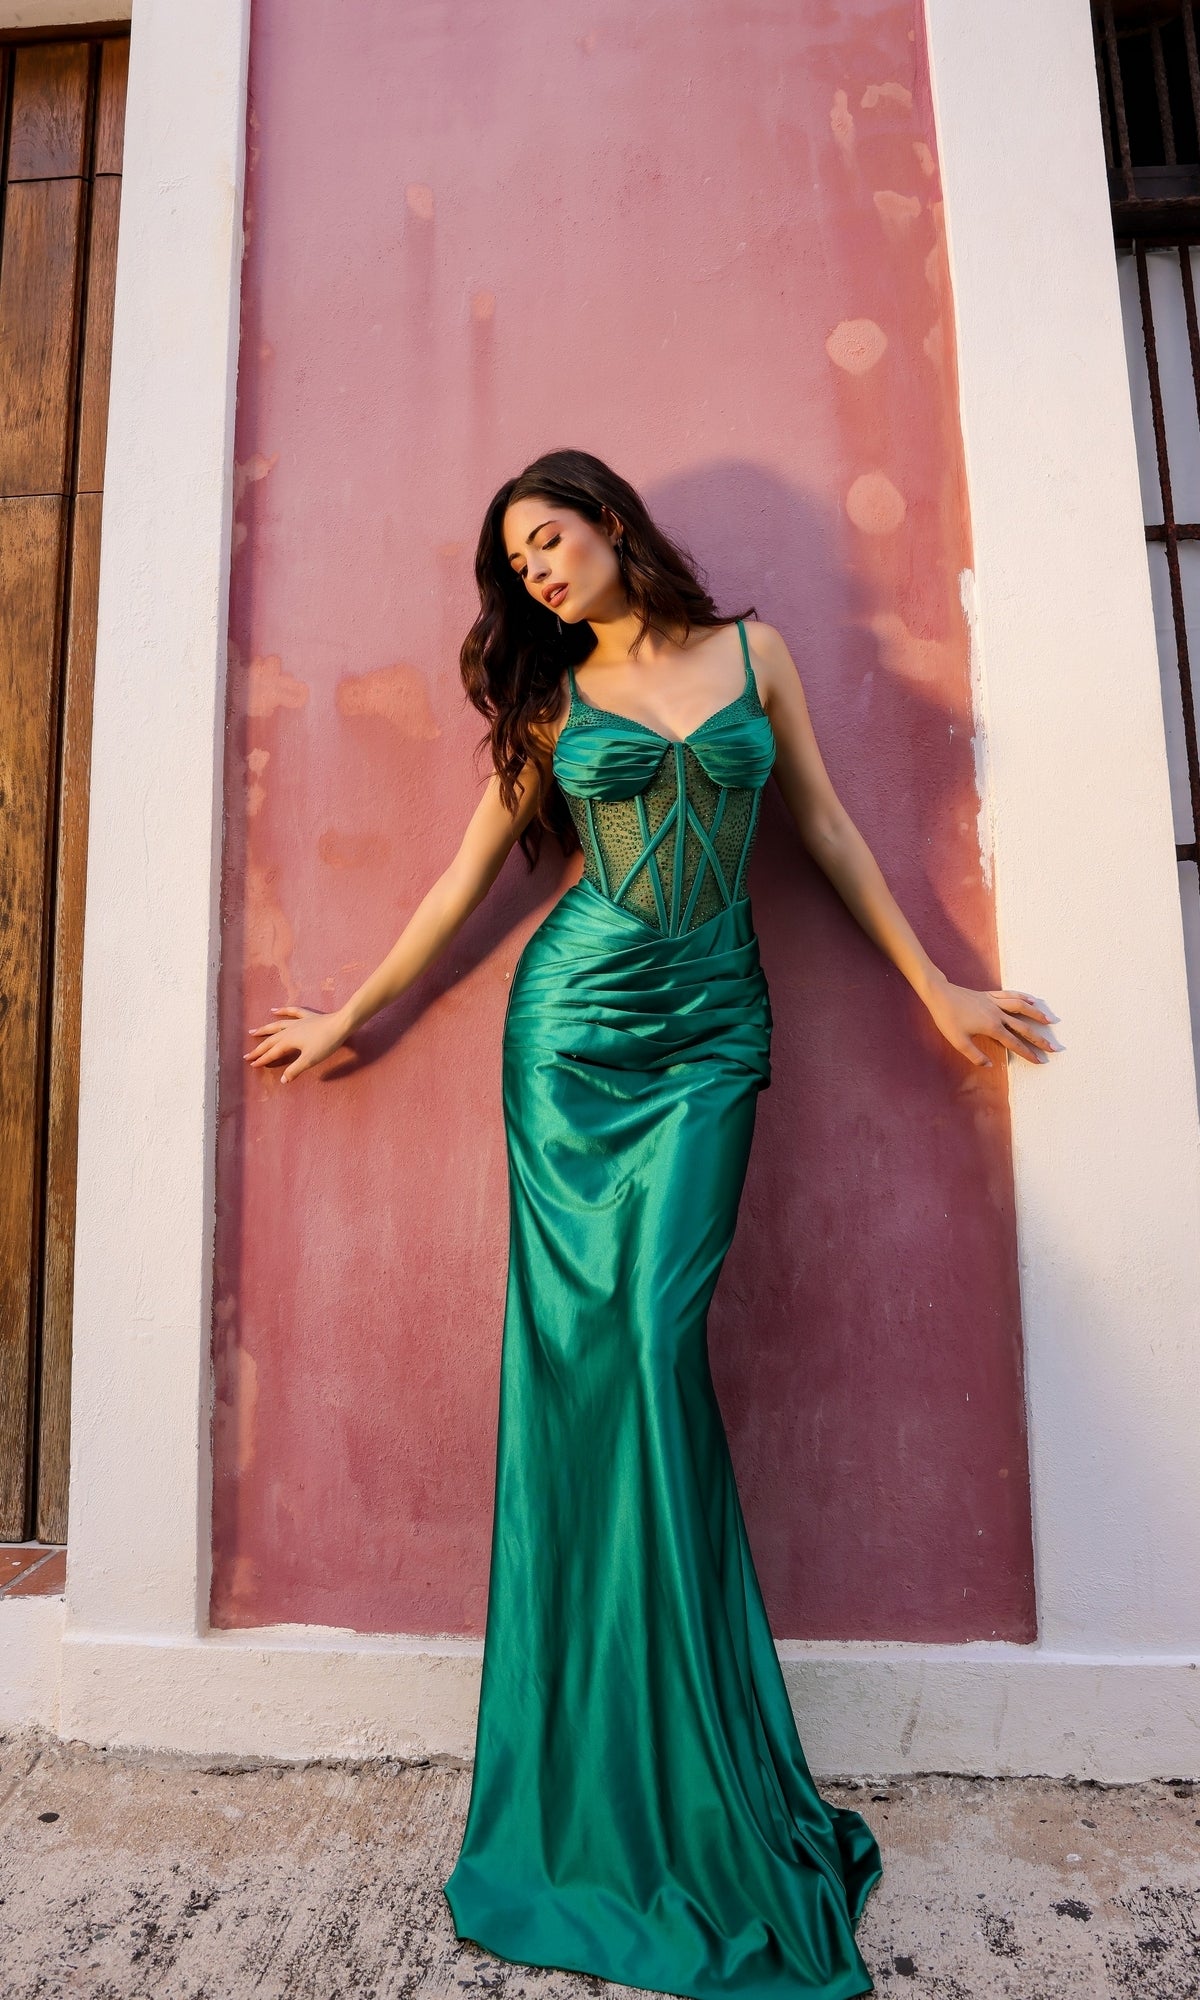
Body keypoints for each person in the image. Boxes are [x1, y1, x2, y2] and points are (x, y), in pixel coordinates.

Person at [245, 449, 1060, 2000]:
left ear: (611, 521)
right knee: (594, 1364)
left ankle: (693, 1751)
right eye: (517, 564)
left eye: (549, 540)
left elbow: (819, 827)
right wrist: (354, 1008)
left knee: (653, 1342)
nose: (538, 573)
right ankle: (612, 1762)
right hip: (573, 1035)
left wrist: (936, 985)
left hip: (712, 1038)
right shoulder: (549, 702)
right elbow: (463, 880)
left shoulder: (756, 653)